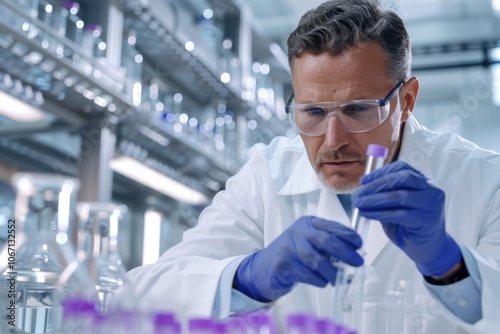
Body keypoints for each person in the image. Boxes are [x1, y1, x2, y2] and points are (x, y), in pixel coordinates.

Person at [117, 0, 500, 332]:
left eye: (358, 110)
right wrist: (248, 277)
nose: (332, 141)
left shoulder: (484, 180)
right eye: (313, 112)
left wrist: (447, 262)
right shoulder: (266, 176)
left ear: (407, 100)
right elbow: (135, 298)